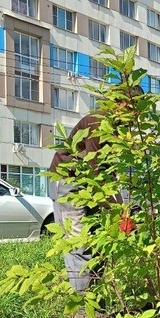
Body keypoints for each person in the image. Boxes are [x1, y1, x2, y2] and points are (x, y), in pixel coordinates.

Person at [49, 85, 143, 292]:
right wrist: (120, 213)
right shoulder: (98, 121)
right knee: (78, 244)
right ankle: (83, 307)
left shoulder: (118, 129)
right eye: (133, 109)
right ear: (119, 103)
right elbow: (95, 172)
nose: (135, 117)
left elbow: (108, 175)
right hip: (69, 182)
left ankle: (96, 299)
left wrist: (124, 209)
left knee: (101, 242)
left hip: (94, 187)